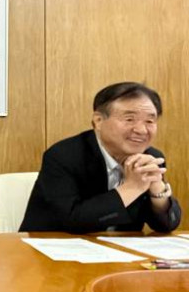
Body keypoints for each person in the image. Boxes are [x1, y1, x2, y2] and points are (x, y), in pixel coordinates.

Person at [20, 82, 181, 233]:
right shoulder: (63, 155)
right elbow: (72, 221)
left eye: (150, 121)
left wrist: (157, 191)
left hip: (119, 250)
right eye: (129, 119)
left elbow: (166, 225)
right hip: (50, 248)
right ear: (98, 121)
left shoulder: (151, 157)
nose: (141, 130)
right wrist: (132, 188)